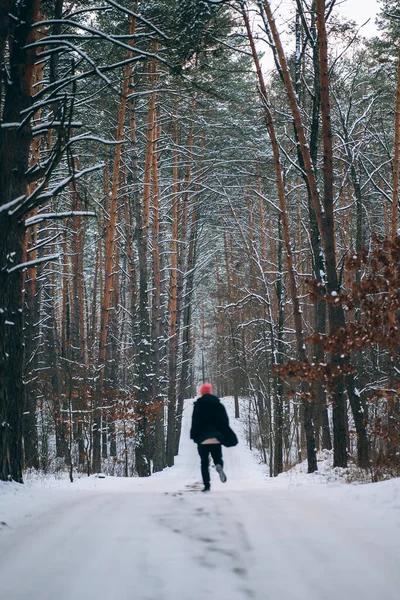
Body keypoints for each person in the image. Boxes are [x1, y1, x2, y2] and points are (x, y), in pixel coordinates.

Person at [190, 382, 238, 492]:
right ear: (210, 392)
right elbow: (224, 421)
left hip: (203, 439)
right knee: (217, 457)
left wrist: (195, 435)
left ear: (202, 393)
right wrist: (223, 434)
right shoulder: (218, 405)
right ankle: (218, 465)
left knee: (204, 462)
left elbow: (195, 421)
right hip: (216, 438)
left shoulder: (198, 405)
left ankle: (207, 486)